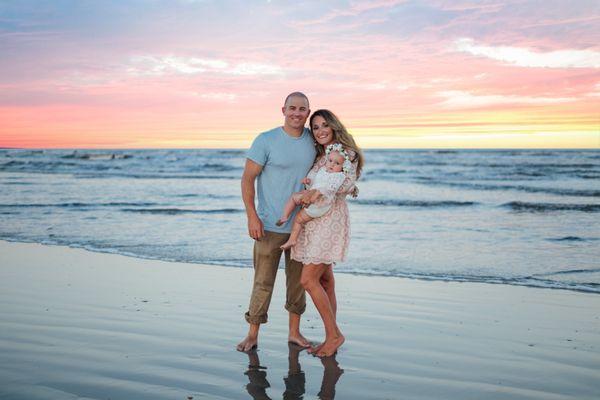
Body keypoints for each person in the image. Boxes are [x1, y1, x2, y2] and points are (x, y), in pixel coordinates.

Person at [237, 92, 316, 353]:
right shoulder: (266, 140)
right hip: (268, 226)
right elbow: (247, 179)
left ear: (308, 112)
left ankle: (294, 333)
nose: (296, 113)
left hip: (302, 227)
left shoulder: (314, 142)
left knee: (298, 284)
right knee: (262, 282)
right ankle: (252, 334)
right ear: (283, 109)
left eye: (302, 109)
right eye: (292, 108)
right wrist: (252, 216)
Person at [291, 109, 364, 358]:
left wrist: (315, 192)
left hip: (329, 219)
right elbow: (315, 183)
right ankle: (329, 336)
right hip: (315, 220)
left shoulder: (346, 153)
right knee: (325, 280)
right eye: (316, 126)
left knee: (307, 280)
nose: (321, 130)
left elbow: (341, 185)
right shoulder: (323, 155)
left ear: (334, 127)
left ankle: (334, 336)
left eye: (325, 125)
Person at [278, 144, 352, 251]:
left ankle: (292, 239)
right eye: (330, 160)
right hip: (311, 195)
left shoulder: (339, 176)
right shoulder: (323, 171)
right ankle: (284, 216)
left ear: (343, 167)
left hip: (320, 204)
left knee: (298, 219)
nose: (332, 165)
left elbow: (331, 189)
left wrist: (317, 193)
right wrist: (308, 181)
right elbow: (315, 181)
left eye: (337, 163)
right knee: (294, 197)